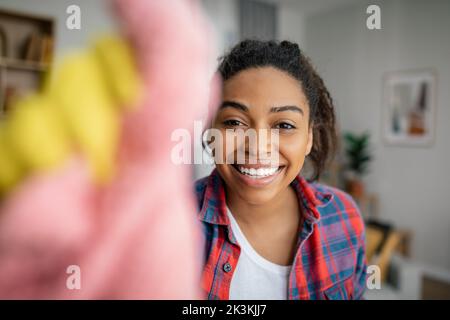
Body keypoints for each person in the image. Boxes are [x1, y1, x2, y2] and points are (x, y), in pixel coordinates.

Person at [195, 39, 367, 300]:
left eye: (284, 125)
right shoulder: (168, 222)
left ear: (309, 138)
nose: (258, 147)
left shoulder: (344, 216)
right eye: (233, 122)